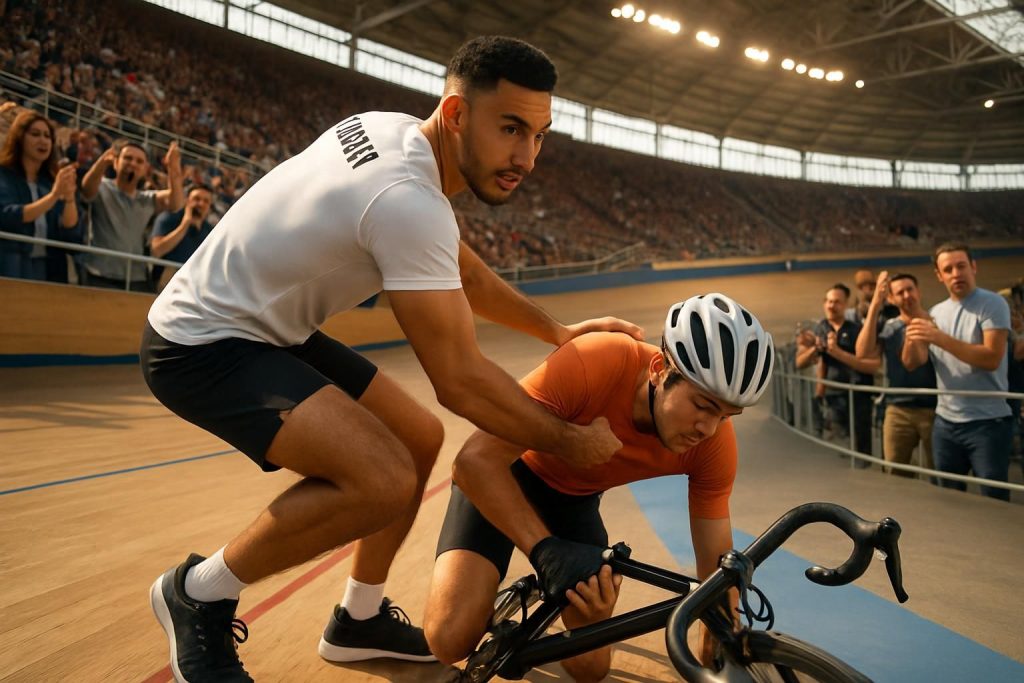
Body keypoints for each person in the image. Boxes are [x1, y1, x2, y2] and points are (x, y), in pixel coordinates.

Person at [141, 36, 640, 683]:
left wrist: (558, 331)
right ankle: (198, 591)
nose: (527, 157)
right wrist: (567, 440)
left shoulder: (396, 134)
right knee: (381, 479)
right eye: (511, 128)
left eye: (540, 135)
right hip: (198, 342)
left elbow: (462, 269)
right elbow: (459, 380)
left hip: (263, 323)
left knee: (418, 436)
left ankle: (359, 616)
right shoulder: (408, 201)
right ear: (457, 115)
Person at [424, 294, 774, 681]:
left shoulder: (713, 443)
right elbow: (473, 461)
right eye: (703, 405)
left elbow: (715, 560)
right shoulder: (596, 362)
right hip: (506, 476)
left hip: (574, 503)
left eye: (727, 416)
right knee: (449, 640)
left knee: (591, 670)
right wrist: (545, 550)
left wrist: (721, 635)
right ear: (659, 368)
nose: (708, 428)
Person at [903, 243, 1013, 501]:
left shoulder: (993, 304)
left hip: (988, 423)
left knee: (994, 502)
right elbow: (913, 362)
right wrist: (913, 334)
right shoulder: (936, 313)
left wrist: (938, 337)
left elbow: (991, 358)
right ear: (939, 276)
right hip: (946, 424)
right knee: (950, 502)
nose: (956, 274)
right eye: (948, 269)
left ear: (973, 267)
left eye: (961, 266)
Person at [855, 272, 936, 477]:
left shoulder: (935, 322)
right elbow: (863, 352)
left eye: (910, 289)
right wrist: (875, 304)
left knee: (939, 473)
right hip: (898, 408)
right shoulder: (891, 327)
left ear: (918, 291)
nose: (907, 295)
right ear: (891, 298)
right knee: (895, 473)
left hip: (934, 408)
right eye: (900, 292)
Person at [80, 139, 183, 290]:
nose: (133, 163)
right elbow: (87, 188)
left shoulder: (147, 199)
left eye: (139, 161)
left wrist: (173, 171)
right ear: (116, 163)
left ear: (146, 169)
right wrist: (101, 163)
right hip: (99, 274)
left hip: (135, 277)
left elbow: (176, 204)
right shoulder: (102, 187)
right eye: (128, 158)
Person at [0, 110, 80, 281]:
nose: (43, 140)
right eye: (35, 134)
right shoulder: (3, 175)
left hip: (49, 267)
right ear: (19, 138)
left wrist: (69, 197)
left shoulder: (49, 181)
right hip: (11, 263)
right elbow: (8, 216)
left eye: (47, 136)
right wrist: (54, 195)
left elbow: (69, 231)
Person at [801, 284, 879, 457]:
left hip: (859, 395)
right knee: (841, 443)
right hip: (834, 396)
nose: (831, 306)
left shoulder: (857, 330)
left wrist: (837, 352)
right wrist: (815, 350)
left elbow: (872, 365)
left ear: (845, 305)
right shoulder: (820, 328)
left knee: (861, 442)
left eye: (837, 302)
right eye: (828, 301)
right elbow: (806, 362)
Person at [149, 184, 215, 291]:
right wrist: (185, 224)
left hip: (193, 286)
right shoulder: (168, 218)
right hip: (165, 284)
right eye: (196, 199)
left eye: (206, 201)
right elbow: (157, 251)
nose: (201, 204)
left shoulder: (210, 230)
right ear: (187, 200)